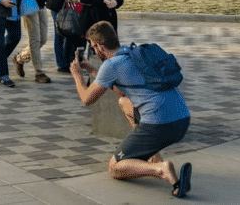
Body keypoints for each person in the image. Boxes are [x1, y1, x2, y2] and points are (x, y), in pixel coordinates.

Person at [70, 21, 192, 198]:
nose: (94, 51)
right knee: (124, 103)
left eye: (93, 47)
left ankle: (160, 169)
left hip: (160, 126)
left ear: (99, 46)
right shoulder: (133, 53)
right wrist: (92, 70)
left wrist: (77, 75)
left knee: (115, 168)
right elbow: (122, 91)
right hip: (182, 120)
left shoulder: (111, 65)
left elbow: (86, 99)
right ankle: (153, 156)